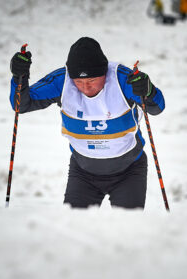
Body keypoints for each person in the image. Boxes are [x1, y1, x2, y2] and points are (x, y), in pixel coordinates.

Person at [9, 37, 165, 209]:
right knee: (73, 225)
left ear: (104, 73)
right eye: (79, 82)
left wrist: (148, 90)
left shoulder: (122, 79)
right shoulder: (62, 81)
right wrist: (19, 78)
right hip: (83, 174)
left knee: (127, 230)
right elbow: (21, 105)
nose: (85, 87)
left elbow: (156, 108)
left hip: (129, 172)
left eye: (91, 81)